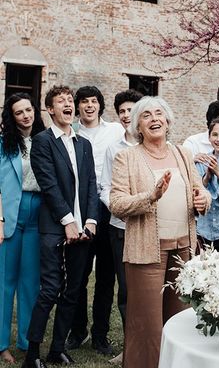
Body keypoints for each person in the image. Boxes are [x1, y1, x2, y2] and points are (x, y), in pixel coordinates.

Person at [109, 96, 210, 368]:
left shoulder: (183, 154)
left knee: (180, 320)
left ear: (168, 121)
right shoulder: (126, 157)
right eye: (146, 115)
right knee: (148, 325)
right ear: (137, 126)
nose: (154, 119)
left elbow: (200, 190)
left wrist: (203, 200)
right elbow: (116, 203)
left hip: (184, 250)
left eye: (159, 114)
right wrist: (150, 196)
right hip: (146, 253)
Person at [24, 86, 100, 368]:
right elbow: (49, 185)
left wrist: (90, 221)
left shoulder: (84, 144)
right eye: (62, 101)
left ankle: (57, 349)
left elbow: (92, 184)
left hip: (84, 229)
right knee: (50, 290)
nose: (68, 104)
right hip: (55, 228)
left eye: (70, 101)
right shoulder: (43, 142)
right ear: (51, 110)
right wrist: (68, 221)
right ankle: (32, 355)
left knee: (73, 290)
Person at [66, 86, 124, 356]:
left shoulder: (115, 131)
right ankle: (78, 330)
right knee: (78, 275)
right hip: (80, 209)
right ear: (78, 107)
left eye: (94, 101)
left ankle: (100, 335)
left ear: (100, 106)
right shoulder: (72, 132)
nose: (89, 106)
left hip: (109, 209)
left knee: (106, 277)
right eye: (84, 102)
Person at [98, 89, 143, 363]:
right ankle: (130, 347)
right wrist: (120, 208)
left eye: (131, 110)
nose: (127, 115)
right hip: (120, 227)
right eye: (122, 111)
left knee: (148, 289)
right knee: (126, 290)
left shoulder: (153, 143)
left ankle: (151, 342)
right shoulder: (113, 149)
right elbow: (105, 187)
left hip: (149, 227)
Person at [0, 94, 45, 364]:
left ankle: (28, 341)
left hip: (39, 214)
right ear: (12, 117)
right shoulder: (4, 144)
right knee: (5, 282)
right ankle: (1, 344)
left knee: (31, 282)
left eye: (29, 109)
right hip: (10, 213)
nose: (26, 115)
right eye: (19, 112)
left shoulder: (45, 141)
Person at [194, 116, 219, 252]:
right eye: (215, 134)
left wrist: (218, 171)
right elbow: (197, 190)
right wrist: (207, 177)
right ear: (209, 136)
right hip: (205, 227)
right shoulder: (202, 159)